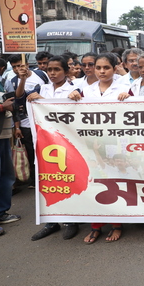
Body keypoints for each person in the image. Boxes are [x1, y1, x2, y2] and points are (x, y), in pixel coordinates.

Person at [68, 53, 132, 243]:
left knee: (114, 182)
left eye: (106, 68)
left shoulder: (125, 87)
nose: (102, 71)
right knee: (93, 182)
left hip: (116, 143)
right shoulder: (86, 90)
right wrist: (72, 97)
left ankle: (117, 224)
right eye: (98, 68)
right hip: (93, 142)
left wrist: (128, 99)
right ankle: (95, 226)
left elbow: (136, 114)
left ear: (115, 69)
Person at [22, 56, 79, 241]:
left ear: (66, 71)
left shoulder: (74, 89)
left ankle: (71, 221)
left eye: (57, 70)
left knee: (67, 179)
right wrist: (31, 94)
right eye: (50, 70)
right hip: (46, 144)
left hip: (68, 144)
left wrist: (46, 100)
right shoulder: (42, 88)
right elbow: (19, 98)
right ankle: (51, 221)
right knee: (48, 180)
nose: (53, 73)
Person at [7, 55, 50, 189]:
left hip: (45, 121)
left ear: (27, 64)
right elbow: (16, 101)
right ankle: (34, 180)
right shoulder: (11, 80)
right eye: (14, 67)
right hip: (26, 122)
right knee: (30, 151)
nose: (17, 69)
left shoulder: (41, 75)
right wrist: (17, 126)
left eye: (20, 65)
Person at [0, 57, 18, 237]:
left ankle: (0, 213)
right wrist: (2, 107)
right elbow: (4, 104)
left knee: (5, 176)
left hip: (2, 134)